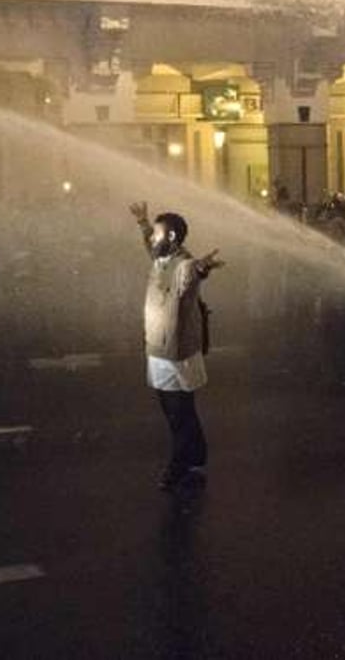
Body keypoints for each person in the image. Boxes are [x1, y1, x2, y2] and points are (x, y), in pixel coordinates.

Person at [130, 201, 224, 491]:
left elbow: (191, 275)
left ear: (171, 238)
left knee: (177, 412)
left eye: (157, 234)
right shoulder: (160, 257)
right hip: (159, 348)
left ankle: (178, 465)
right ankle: (197, 454)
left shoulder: (182, 264)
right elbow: (150, 246)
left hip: (175, 353)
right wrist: (144, 222)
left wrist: (202, 267)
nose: (153, 240)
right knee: (176, 409)